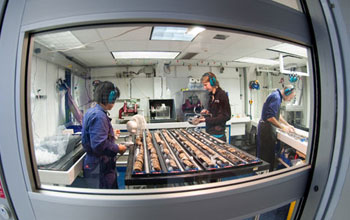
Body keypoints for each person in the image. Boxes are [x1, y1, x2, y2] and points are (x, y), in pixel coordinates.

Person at [82, 81, 127, 189]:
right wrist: (118, 148)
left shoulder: (92, 111)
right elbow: (99, 145)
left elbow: (96, 134)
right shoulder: (99, 116)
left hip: (96, 164)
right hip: (100, 167)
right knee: (106, 200)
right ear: (110, 98)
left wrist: (110, 134)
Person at [257, 85, 296, 171]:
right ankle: (265, 176)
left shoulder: (276, 95)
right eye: (291, 97)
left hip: (266, 127)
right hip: (266, 129)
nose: (290, 99)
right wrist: (283, 127)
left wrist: (287, 125)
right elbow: (270, 117)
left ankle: (265, 172)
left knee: (267, 153)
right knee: (266, 155)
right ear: (287, 93)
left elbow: (277, 115)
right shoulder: (277, 98)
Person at [199, 72, 231, 142]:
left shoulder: (222, 95)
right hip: (210, 133)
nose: (205, 88)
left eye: (206, 85)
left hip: (218, 135)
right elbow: (214, 113)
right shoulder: (211, 96)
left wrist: (206, 120)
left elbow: (226, 116)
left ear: (212, 82)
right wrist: (207, 112)